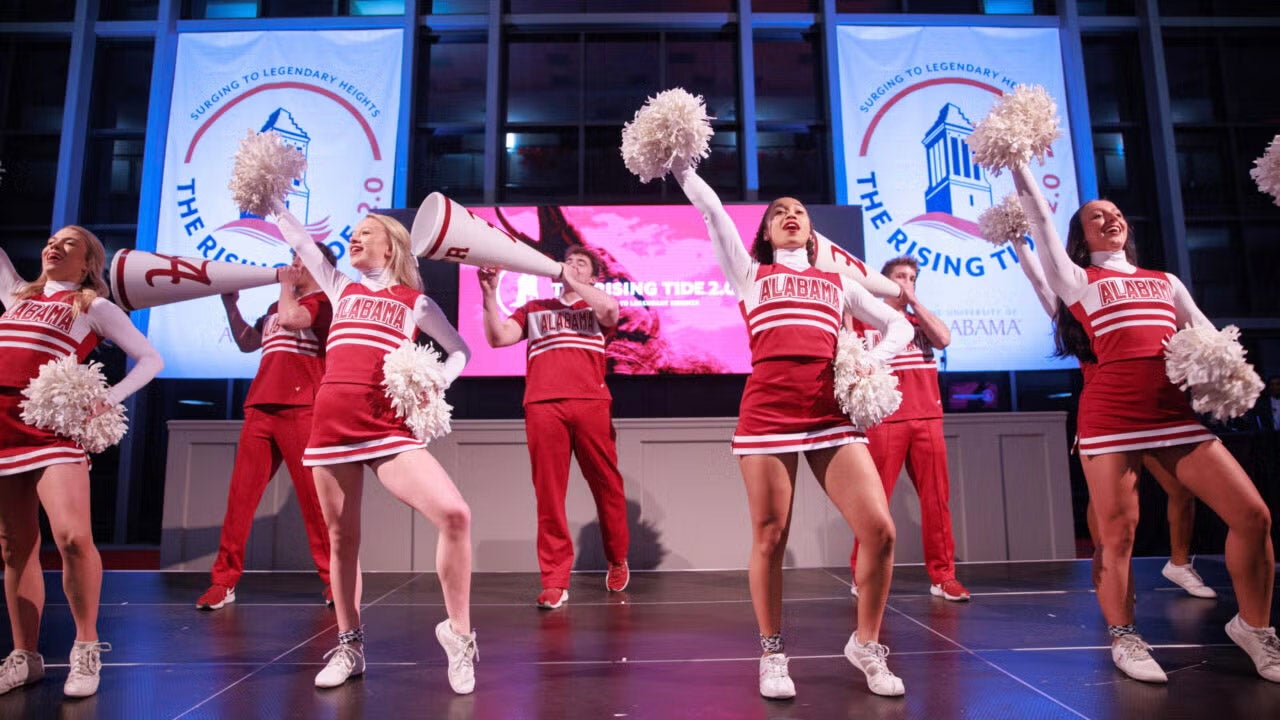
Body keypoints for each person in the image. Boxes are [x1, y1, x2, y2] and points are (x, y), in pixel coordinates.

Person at [1012, 163, 1277, 684]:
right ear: (1080, 237)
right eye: (1095, 217)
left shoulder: (1165, 281)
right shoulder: (1078, 279)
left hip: (1174, 417)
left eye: (1114, 213)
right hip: (1111, 420)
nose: (1109, 219)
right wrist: (1019, 156)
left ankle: (1254, 626)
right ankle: (1125, 636)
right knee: (1118, 534)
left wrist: (1230, 378)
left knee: (1254, 516)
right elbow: (1040, 222)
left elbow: (1208, 338)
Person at [675, 162, 914, 699]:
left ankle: (866, 645)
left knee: (880, 530)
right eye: (778, 212)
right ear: (764, 232)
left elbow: (899, 323)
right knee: (770, 536)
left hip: (830, 416)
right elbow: (713, 212)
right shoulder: (750, 275)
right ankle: (772, 652)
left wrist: (871, 362)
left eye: (798, 212)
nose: (789, 216)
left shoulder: (837, 281)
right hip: (767, 415)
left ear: (812, 232)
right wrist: (679, 162)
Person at [271, 203, 478, 694]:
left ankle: (460, 635)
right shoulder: (340, 287)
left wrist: (435, 386)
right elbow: (302, 243)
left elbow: (460, 350)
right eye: (353, 233)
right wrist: (275, 202)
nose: (355, 238)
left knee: (455, 515)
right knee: (342, 541)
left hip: (386, 427)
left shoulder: (415, 302)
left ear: (392, 245)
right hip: (332, 425)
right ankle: (349, 645)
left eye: (366, 232)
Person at [0, 227, 163, 697]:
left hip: (53, 431)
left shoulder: (93, 307)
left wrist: (106, 400)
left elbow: (151, 359)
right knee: (15, 548)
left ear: (90, 261)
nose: (54, 246)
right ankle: (24, 655)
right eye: (51, 241)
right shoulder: (18, 299)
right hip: (4, 429)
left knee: (72, 537)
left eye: (69, 243)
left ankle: (86, 647)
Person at [1011, 233, 1215, 600]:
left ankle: (1180, 563)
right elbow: (1038, 280)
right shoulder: (1070, 309)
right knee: (1106, 505)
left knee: (1182, 489)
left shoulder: (1130, 294)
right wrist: (1018, 242)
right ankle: (1108, 567)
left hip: (1152, 409)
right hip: (1110, 412)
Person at [477, 246, 630, 610]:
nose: (571, 266)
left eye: (582, 265)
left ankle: (617, 557)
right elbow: (498, 337)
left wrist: (572, 279)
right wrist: (488, 292)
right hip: (544, 405)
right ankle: (555, 580)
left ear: (594, 277)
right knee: (549, 494)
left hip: (591, 404)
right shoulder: (535, 309)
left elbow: (611, 311)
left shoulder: (596, 307)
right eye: (567, 262)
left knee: (607, 484)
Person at [196, 246, 338, 611]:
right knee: (240, 499)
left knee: (313, 501)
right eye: (291, 257)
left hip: (301, 408)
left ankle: (334, 581)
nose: (292, 264)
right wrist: (231, 305)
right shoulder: (278, 306)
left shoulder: (324, 302)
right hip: (260, 407)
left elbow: (294, 321)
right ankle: (223, 582)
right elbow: (248, 342)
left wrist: (285, 285)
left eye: (299, 259)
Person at [846, 256, 970, 602]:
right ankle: (862, 573)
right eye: (899, 277)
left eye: (912, 277)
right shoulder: (866, 321)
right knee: (874, 501)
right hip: (886, 421)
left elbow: (944, 339)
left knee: (937, 502)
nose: (906, 282)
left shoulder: (920, 320)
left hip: (928, 419)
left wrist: (914, 302)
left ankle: (943, 576)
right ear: (883, 282)